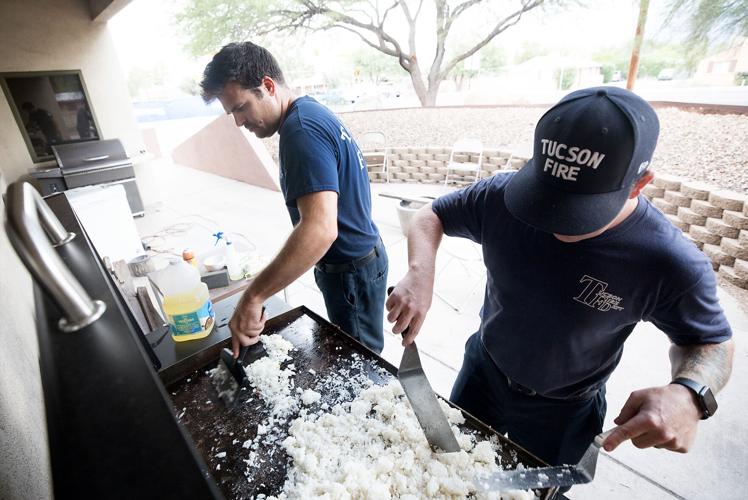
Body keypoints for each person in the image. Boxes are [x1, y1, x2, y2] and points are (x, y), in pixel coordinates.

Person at [386, 87, 734, 471]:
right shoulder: (500, 197)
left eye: (579, 209)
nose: (554, 221)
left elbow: (710, 340)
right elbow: (430, 215)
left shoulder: (667, 260)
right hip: (483, 371)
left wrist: (691, 393)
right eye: (546, 197)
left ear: (639, 183)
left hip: (566, 409)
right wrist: (420, 274)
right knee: (448, 468)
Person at [200, 42, 388, 356]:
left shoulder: (300, 132)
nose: (238, 122)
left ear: (268, 86)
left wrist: (253, 296)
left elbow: (320, 229)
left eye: (241, 107)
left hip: (351, 272)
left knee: (361, 367)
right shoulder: (311, 112)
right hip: (361, 260)